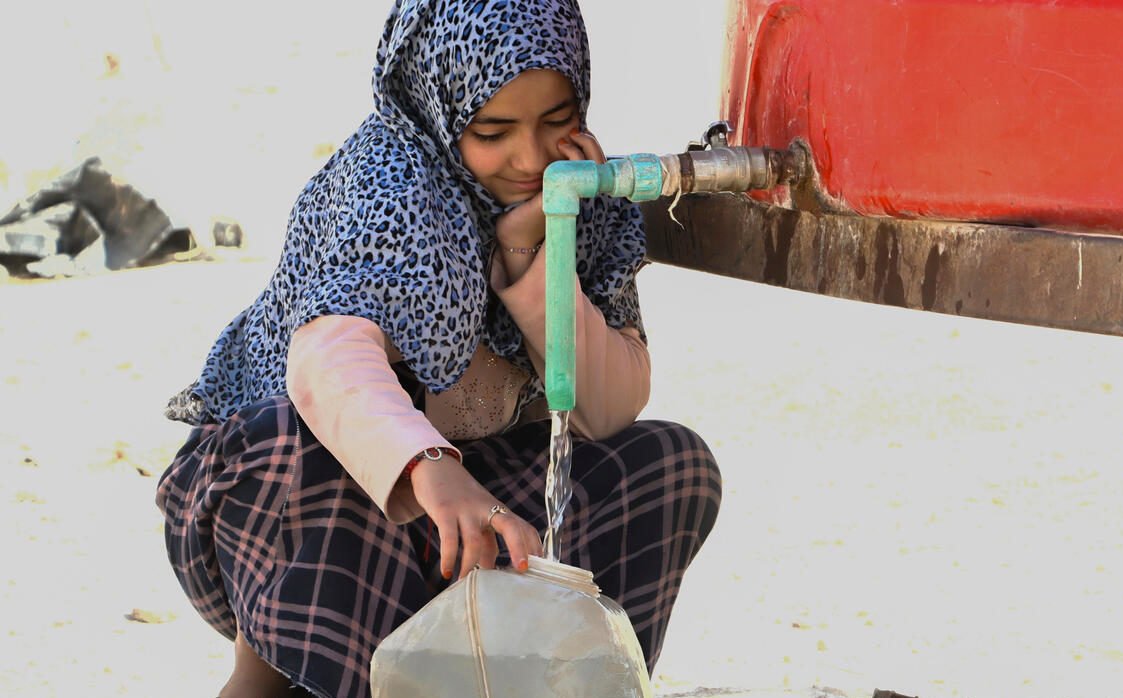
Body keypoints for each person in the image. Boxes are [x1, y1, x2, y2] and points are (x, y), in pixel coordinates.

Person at [154, 1, 722, 696]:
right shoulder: (390, 181)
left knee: (669, 465)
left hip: (475, 509)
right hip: (280, 525)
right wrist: (430, 469)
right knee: (298, 444)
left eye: (558, 119)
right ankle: (270, 680)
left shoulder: (583, 199)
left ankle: (560, 685)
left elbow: (605, 410)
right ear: (440, 108)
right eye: (492, 131)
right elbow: (326, 361)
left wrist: (533, 256)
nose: (532, 158)